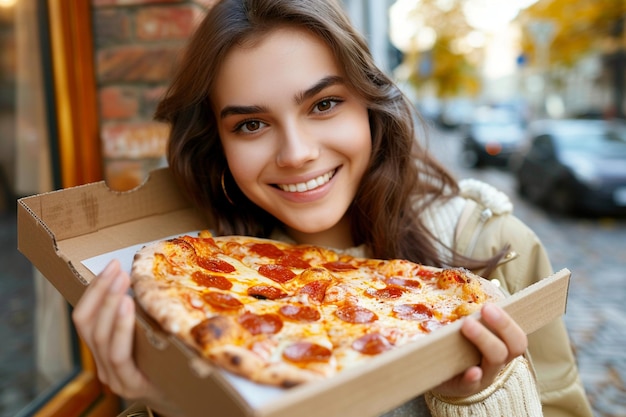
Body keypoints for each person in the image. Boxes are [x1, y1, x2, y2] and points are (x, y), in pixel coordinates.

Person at [72, 0, 594, 416]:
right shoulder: (204, 279)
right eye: (251, 124)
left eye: (323, 104)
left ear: (370, 103)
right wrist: (173, 405)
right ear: (218, 144)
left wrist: (478, 401)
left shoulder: (495, 246)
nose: (296, 153)